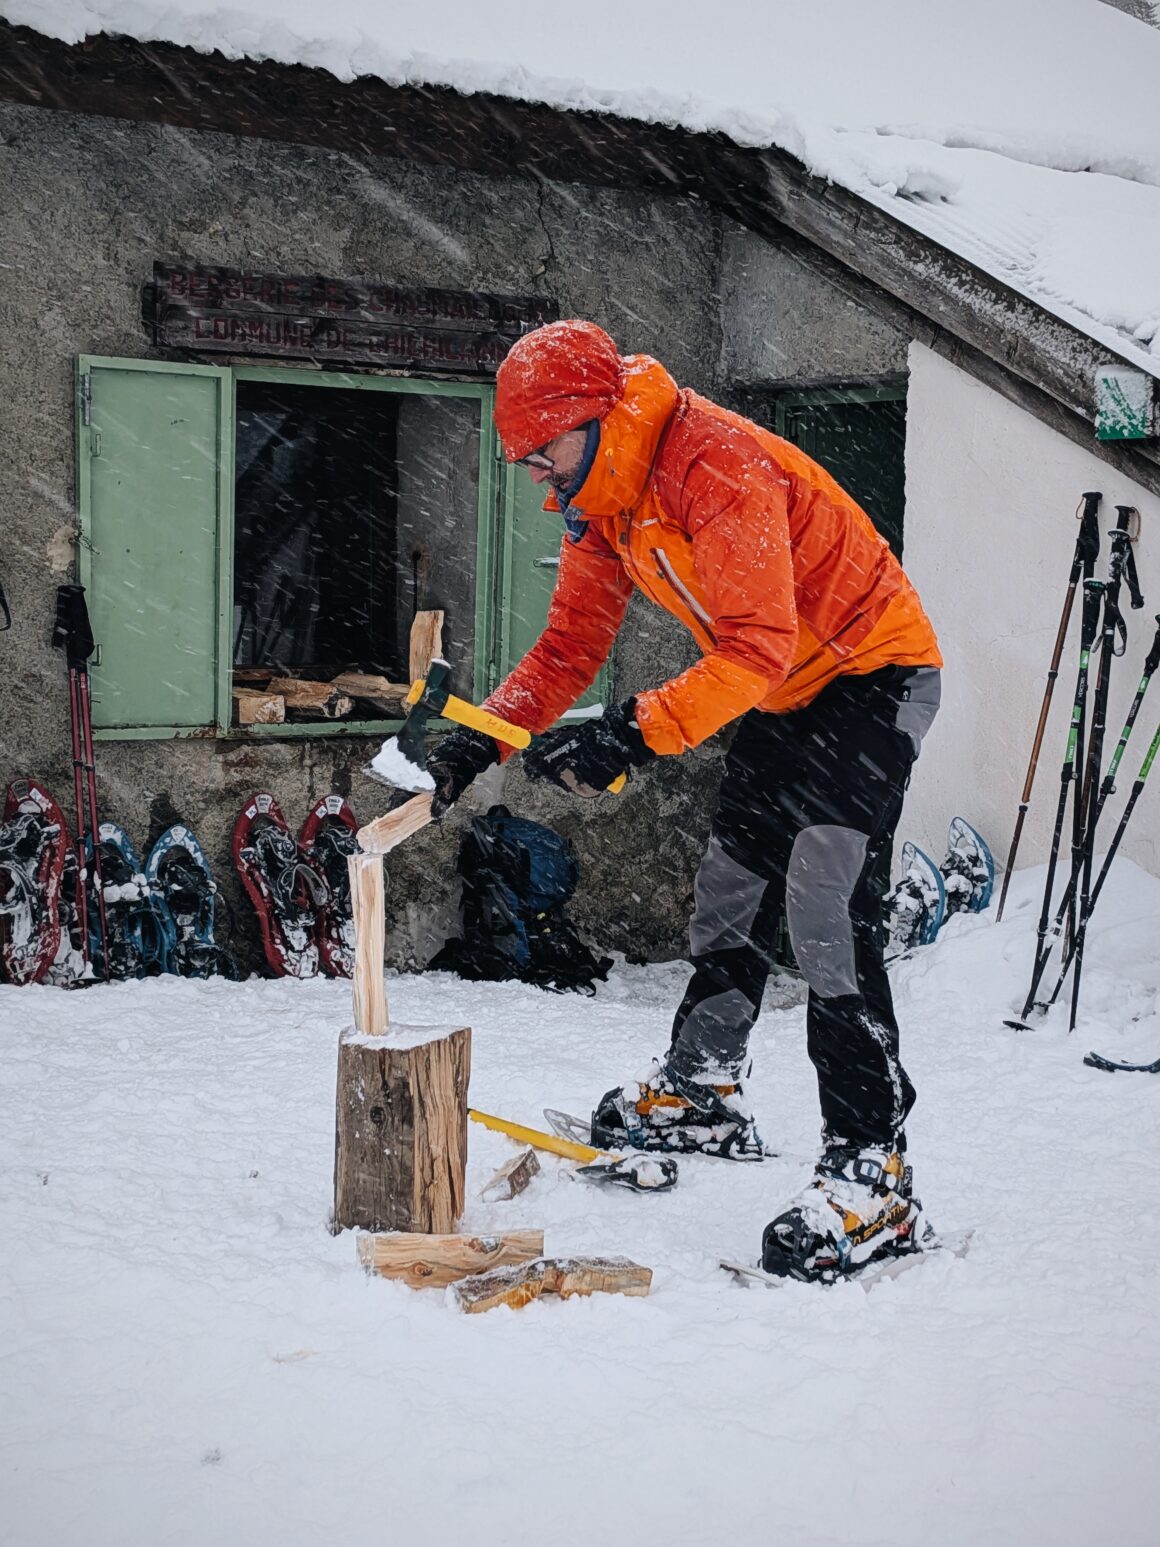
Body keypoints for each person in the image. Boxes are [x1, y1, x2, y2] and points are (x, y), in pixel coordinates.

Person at [428, 319, 943, 1281]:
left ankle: (874, 1170)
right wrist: (477, 740)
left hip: (873, 674)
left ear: (591, 419)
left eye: (542, 452)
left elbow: (754, 646)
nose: (536, 476)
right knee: (730, 882)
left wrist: (629, 731)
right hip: (785, 687)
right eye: (525, 460)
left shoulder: (714, 463)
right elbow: (568, 649)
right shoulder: (605, 501)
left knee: (825, 902)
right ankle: (705, 1086)